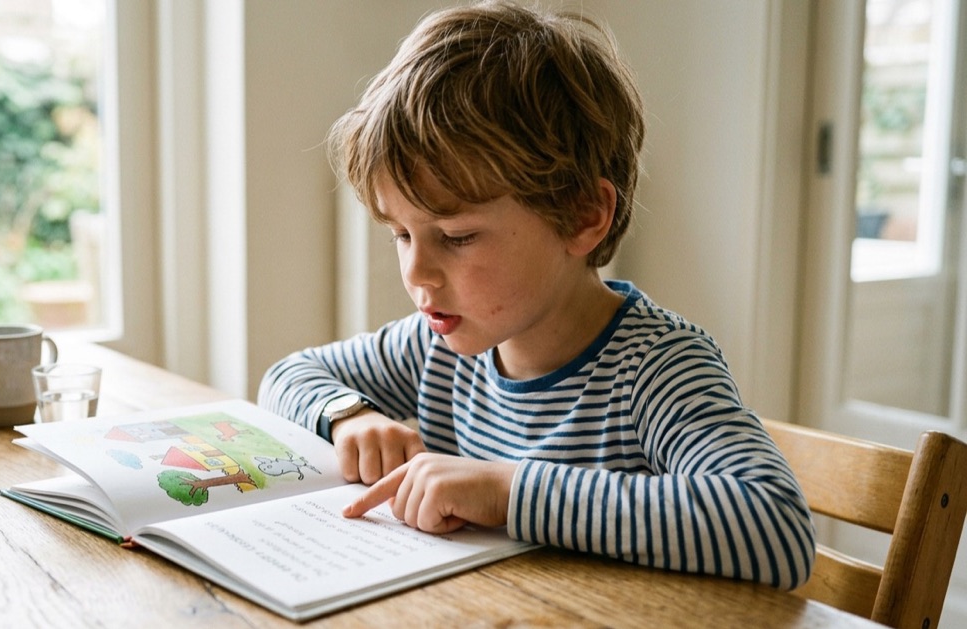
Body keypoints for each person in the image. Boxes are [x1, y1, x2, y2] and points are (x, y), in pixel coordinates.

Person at [257, 0, 815, 590]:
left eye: (457, 237)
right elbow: (285, 377)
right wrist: (349, 417)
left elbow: (774, 528)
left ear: (582, 215)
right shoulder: (434, 346)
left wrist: (508, 490)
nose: (417, 272)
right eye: (401, 234)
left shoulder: (655, 368)